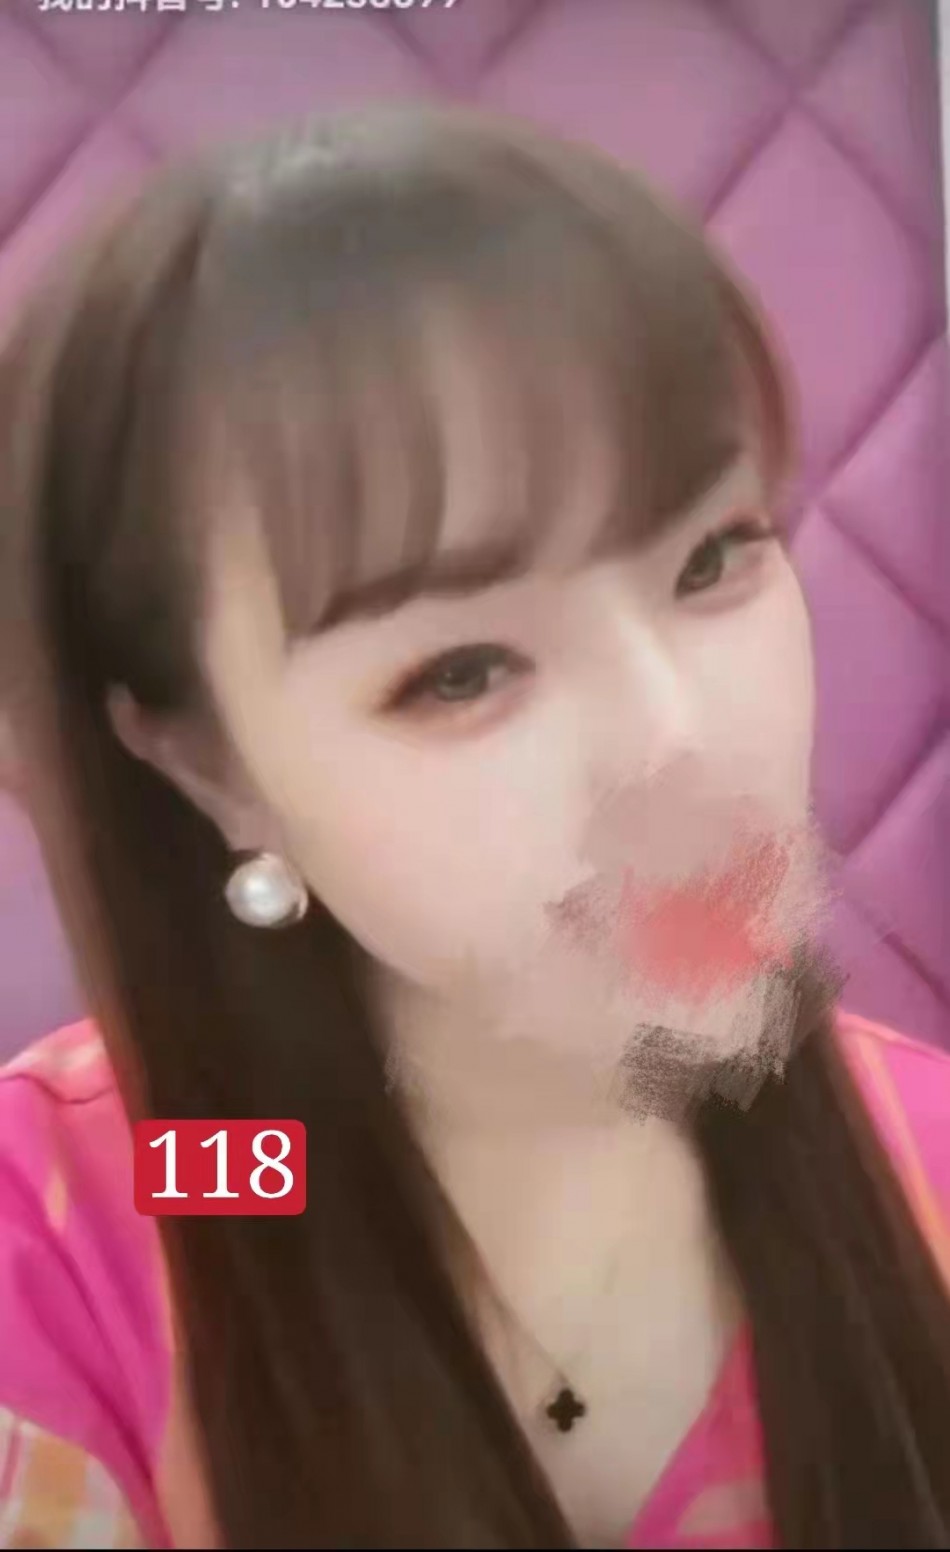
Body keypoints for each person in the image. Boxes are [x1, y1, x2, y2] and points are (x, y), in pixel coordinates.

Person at [0, 104, 949, 1552]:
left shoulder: (923, 1160)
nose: (684, 743)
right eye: (460, 672)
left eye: (714, 558)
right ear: (208, 769)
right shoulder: (91, 1226)